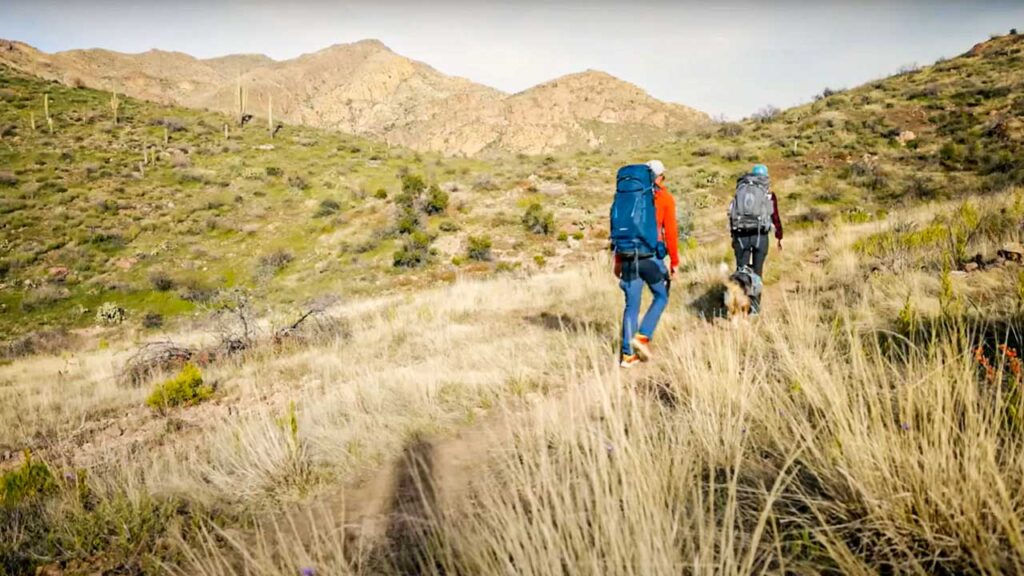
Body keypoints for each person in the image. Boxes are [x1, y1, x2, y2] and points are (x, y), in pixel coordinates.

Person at [614, 160, 679, 367]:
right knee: (661, 295)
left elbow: (618, 232)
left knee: (631, 305)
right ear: (658, 177)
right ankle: (642, 337)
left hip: (626, 256)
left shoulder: (627, 199)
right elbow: (671, 233)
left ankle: (627, 356)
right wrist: (674, 261)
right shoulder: (664, 199)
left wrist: (617, 261)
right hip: (649, 257)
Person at [728, 163, 782, 314]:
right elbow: (775, 217)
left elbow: (731, 214)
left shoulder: (741, 189)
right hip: (760, 236)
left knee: (741, 272)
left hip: (740, 236)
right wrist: (779, 237)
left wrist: (734, 237)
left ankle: (739, 307)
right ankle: (755, 308)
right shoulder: (768, 194)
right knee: (757, 273)